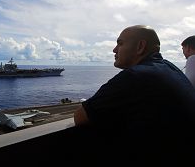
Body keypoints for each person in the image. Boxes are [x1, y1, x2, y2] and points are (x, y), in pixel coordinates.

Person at [73, 25, 195, 165]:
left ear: (140, 47)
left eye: (120, 43)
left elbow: (80, 117)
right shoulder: (170, 68)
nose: (114, 50)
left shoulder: (135, 76)